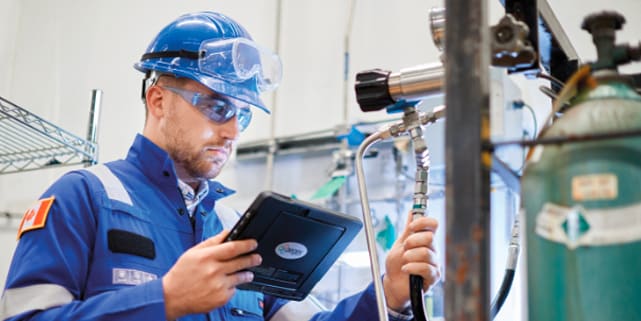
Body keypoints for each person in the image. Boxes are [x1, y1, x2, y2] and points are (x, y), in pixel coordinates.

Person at [0, 11, 440, 321]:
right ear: (158, 100)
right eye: (215, 107)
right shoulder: (84, 197)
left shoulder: (237, 229)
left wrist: (390, 293)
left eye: (242, 114)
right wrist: (165, 299)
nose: (232, 132)